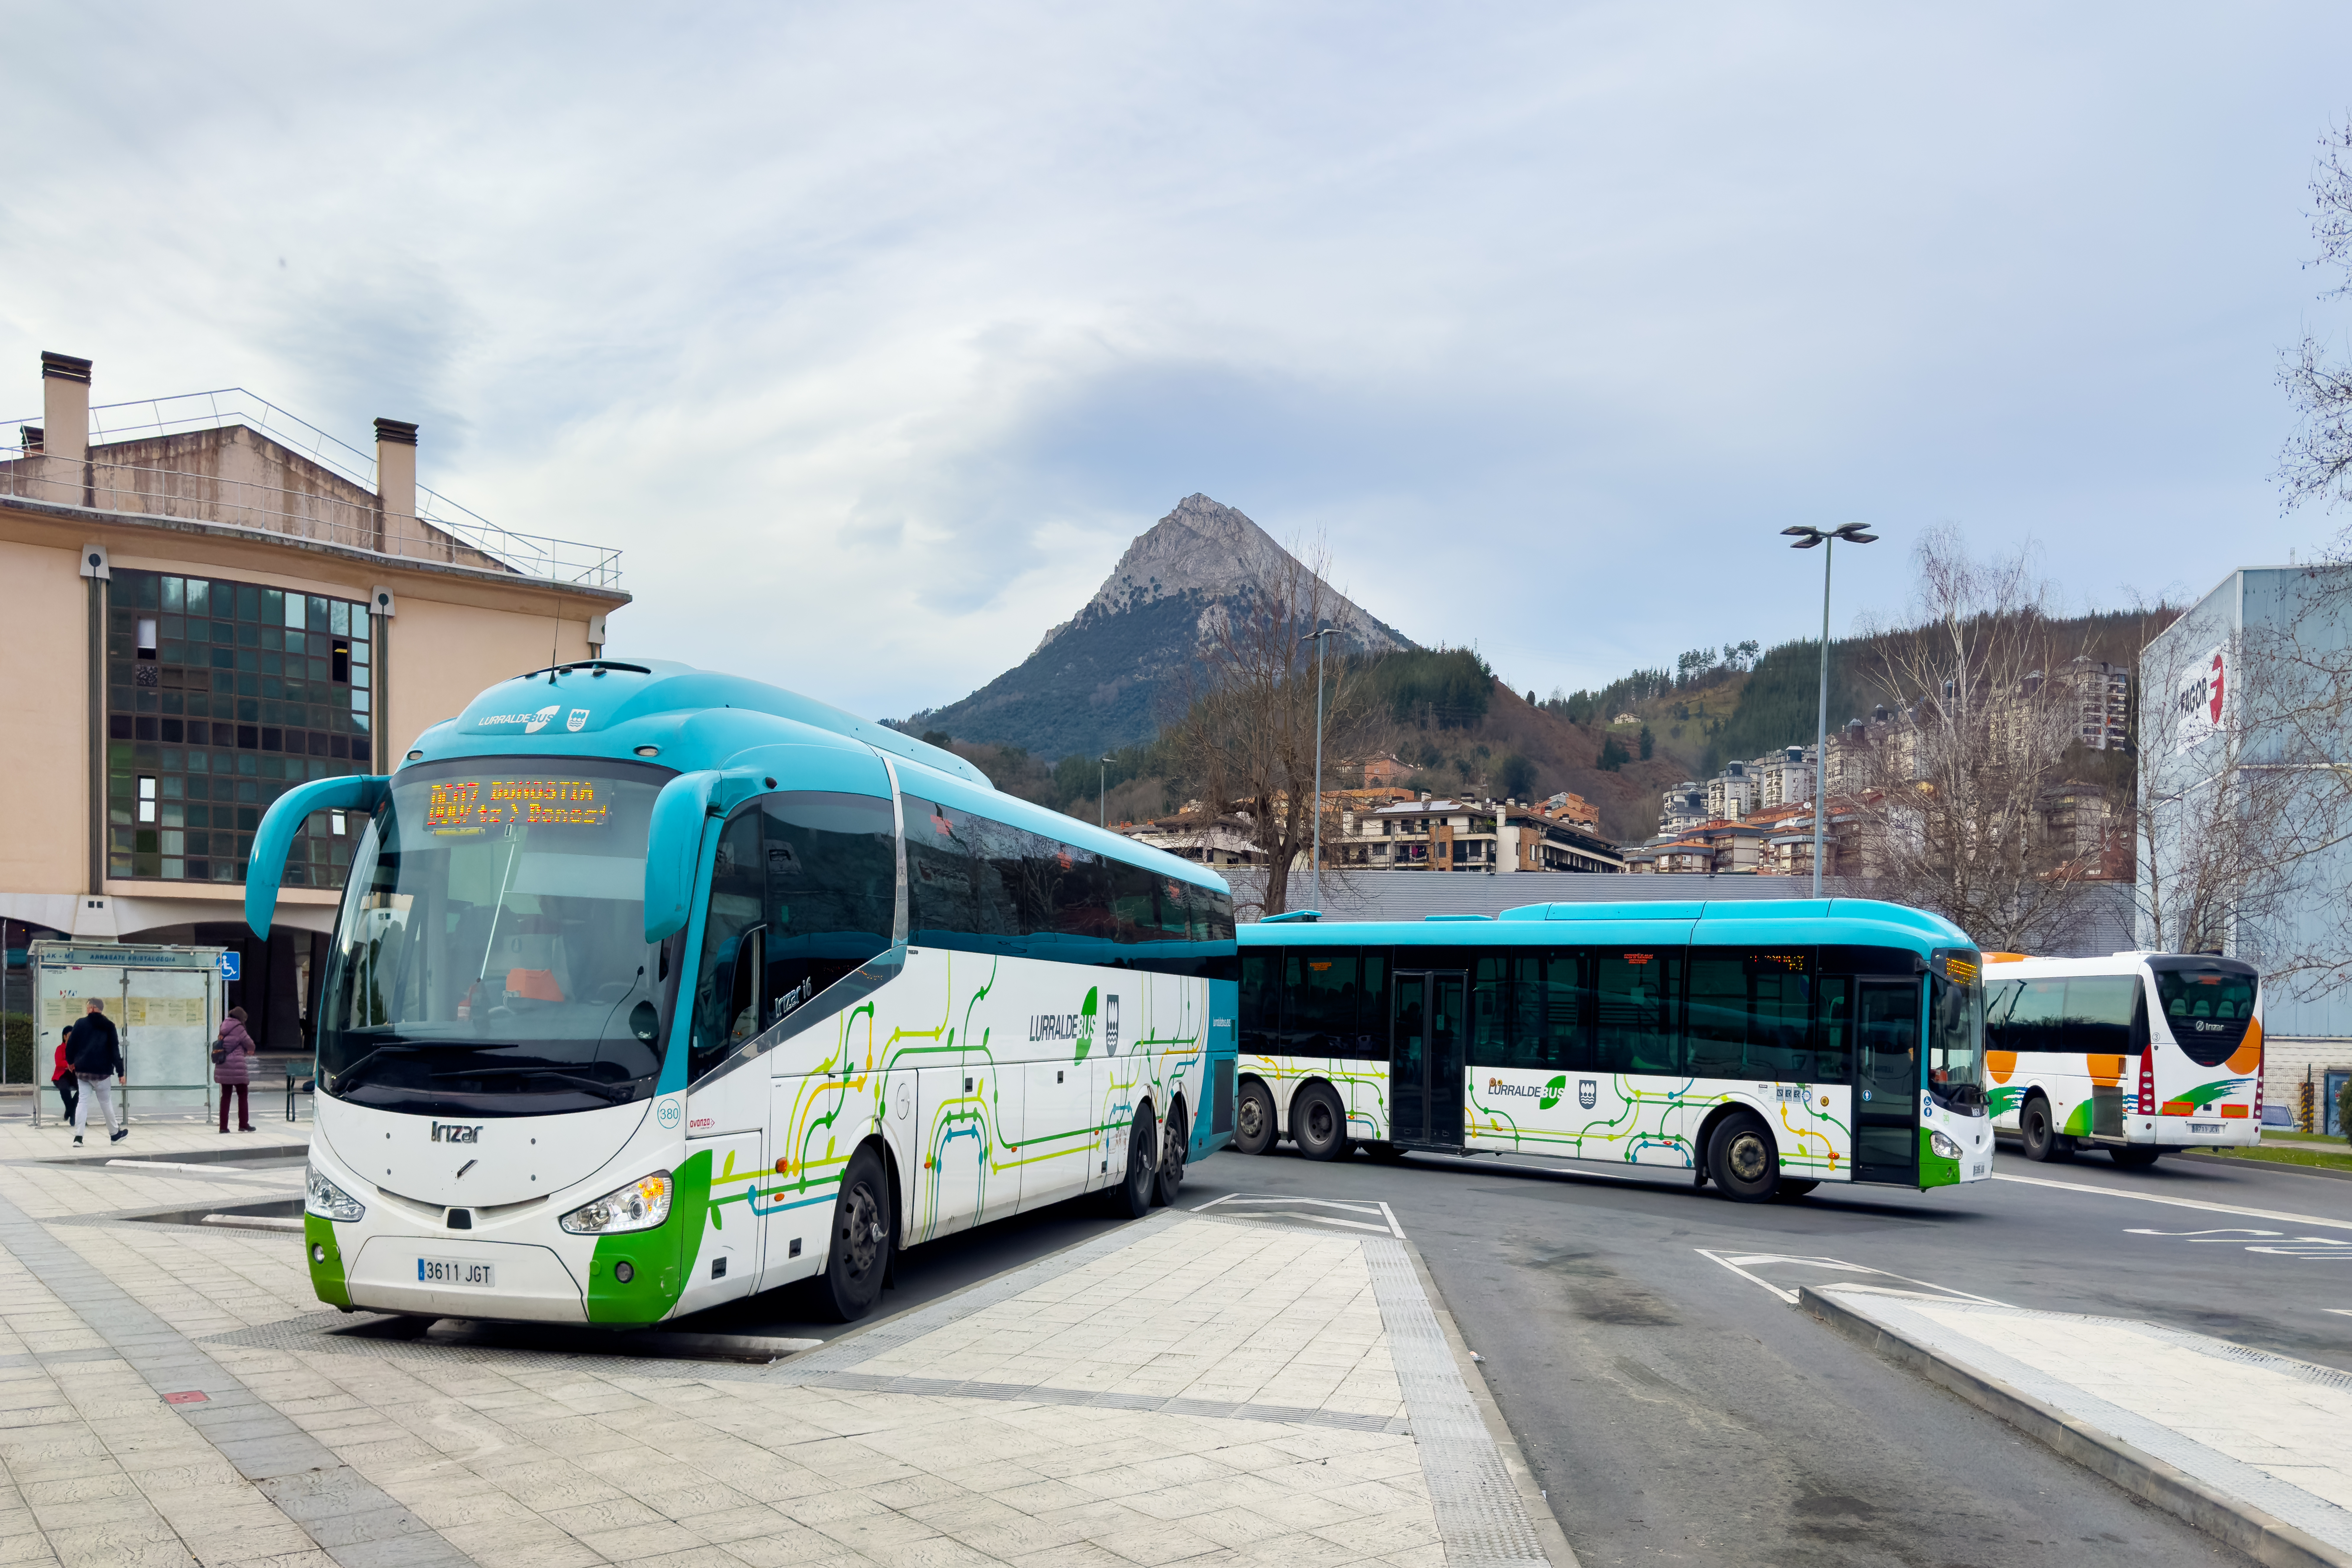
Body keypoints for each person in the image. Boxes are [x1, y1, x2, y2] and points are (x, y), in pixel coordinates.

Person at [64, 998, 126, 1147]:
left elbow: (71, 1046)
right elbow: (115, 1051)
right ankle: (114, 1135)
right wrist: (121, 1072)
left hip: (83, 1071)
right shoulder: (110, 1026)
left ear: (92, 1008)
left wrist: (71, 1062)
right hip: (102, 1073)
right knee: (105, 1102)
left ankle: (78, 1138)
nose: (87, 1010)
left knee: (83, 1101)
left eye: (87, 1008)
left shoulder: (80, 1024)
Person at [213, 1007, 257, 1134]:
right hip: (237, 1067)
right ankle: (243, 1124)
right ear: (241, 1018)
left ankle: (223, 1127)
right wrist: (249, 1050)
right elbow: (250, 1045)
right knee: (243, 1094)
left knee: (226, 1096)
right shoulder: (239, 1029)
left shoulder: (224, 1026)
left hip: (224, 1065)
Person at [49, 1026, 78, 1126]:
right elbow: (59, 1063)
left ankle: (71, 1110)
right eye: (70, 1036)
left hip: (74, 1074)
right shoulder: (60, 1049)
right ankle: (71, 1111)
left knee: (83, 1088)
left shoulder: (76, 1049)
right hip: (62, 1075)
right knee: (64, 1089)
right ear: (65, 1037)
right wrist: (69, 1064)